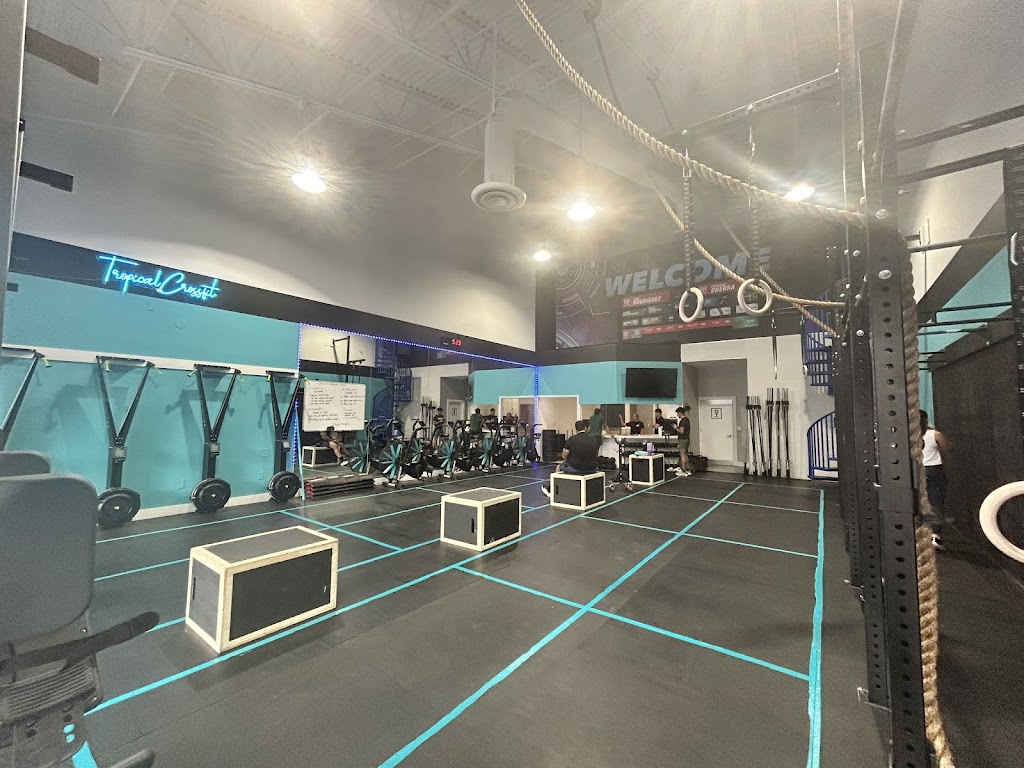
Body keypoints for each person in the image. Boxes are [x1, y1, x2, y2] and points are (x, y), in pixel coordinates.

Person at [541, 420, 599, 498]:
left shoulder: (572, 439)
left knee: (558, 467)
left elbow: (564, 455)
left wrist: (567, 460)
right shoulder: (594, 439)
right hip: (592, 468)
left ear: (576, 429)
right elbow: (595, 454)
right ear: (585, 428)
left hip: (576, 468)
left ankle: (550, 490)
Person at [921, 409, 950, 549]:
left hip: (919, 470)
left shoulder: (909, 436)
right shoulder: (935, 434)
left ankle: (921, 533)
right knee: (936, 502)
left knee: (919, 503)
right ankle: (935, 536)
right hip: (934, 469)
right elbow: (947, 449)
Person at [673, 405, 692, 476]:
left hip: (682, 440)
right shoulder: (687, 420)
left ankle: (683, 470)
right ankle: (688, 469)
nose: (677, 415)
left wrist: (675, 428)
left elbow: (681, 431)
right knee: (685, 454)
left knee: (682, 455)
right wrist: (678, 427)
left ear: (680, 413)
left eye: (677, 413)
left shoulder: (682, 421)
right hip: (687, 439)